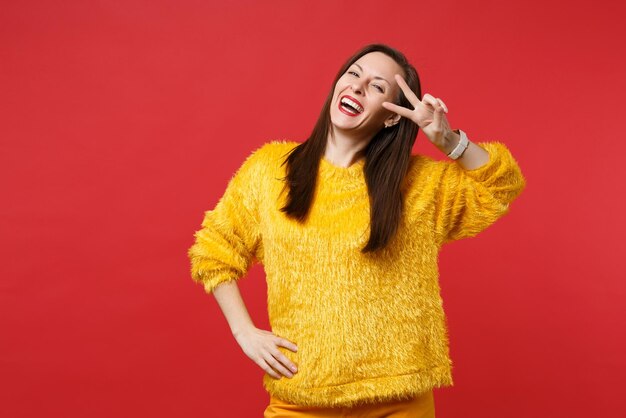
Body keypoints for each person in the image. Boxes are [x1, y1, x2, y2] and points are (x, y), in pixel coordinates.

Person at [187, 43, 526, 417]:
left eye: (378, 87)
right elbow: (213, 250)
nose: (359, 87)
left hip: (399, 398)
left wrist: (449, 141)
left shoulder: (420, 185)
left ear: (392, 117)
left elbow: (501, 185)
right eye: (353, 74)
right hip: (302, 396)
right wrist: (244, 332)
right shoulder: (270, 170)